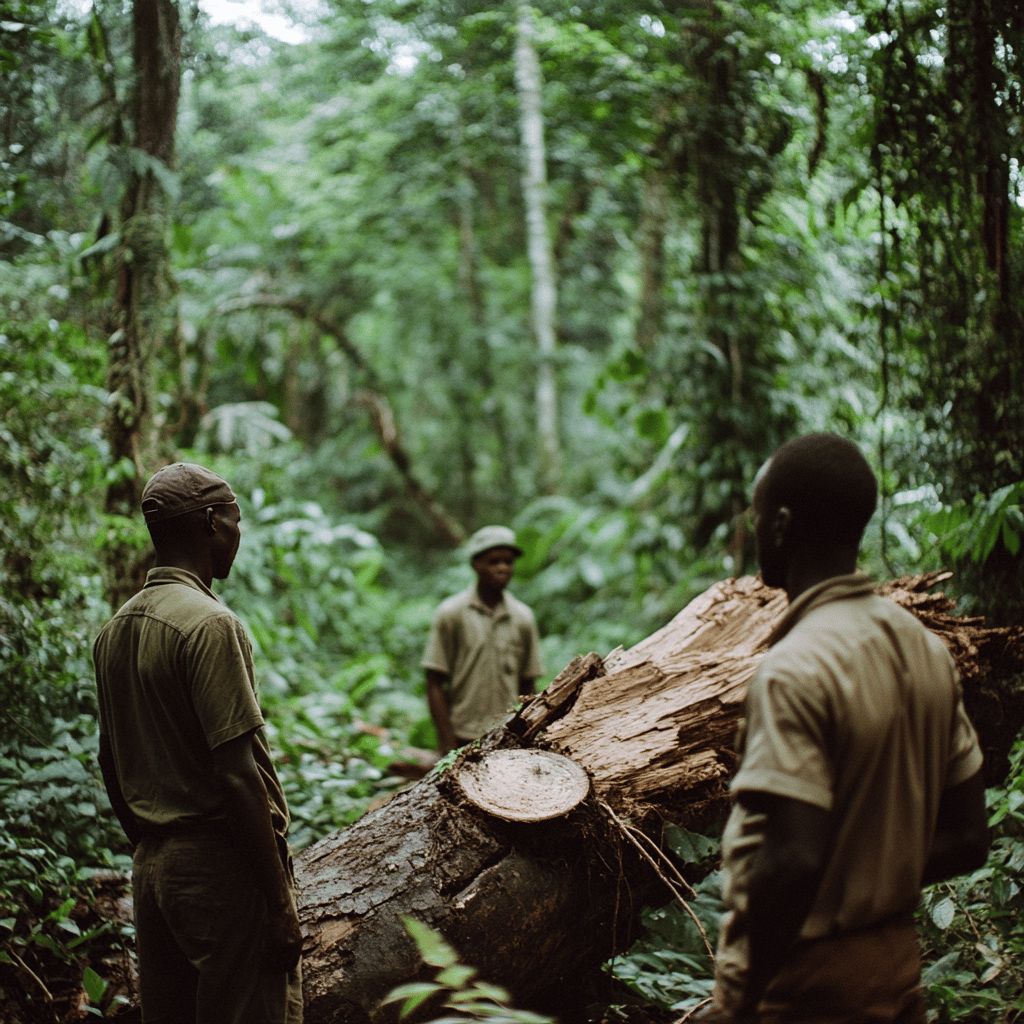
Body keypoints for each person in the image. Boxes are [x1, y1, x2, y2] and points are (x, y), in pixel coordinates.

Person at [700, 434, 989, 1024]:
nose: (756, 533)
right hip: (894, 970)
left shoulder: (794, 668)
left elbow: (796, 857)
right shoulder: (925, 649)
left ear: (781, 526)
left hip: (800, 987)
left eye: (757, 519)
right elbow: (968, 837)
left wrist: (745, 1000)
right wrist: (876, 872)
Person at [92, 463, 303, 1024]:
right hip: (219, 870)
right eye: (235, 521)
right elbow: (236, 773)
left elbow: (109, 760)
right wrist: (280, 901)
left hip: (153, 871)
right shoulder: (210, 625)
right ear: (212, 523)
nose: (239, 533)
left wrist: (154, 842)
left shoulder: (115, 630)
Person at [423, 525, 543, 753]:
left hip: (507, 738)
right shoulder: (451, 613)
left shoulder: (523, 617)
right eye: (494, 561)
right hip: (462, 735)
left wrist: (528, 733)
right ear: (476, 564)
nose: (503, 568)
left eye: (508, 562)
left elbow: (529, 684)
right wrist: (447, 741)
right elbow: (434, 682)